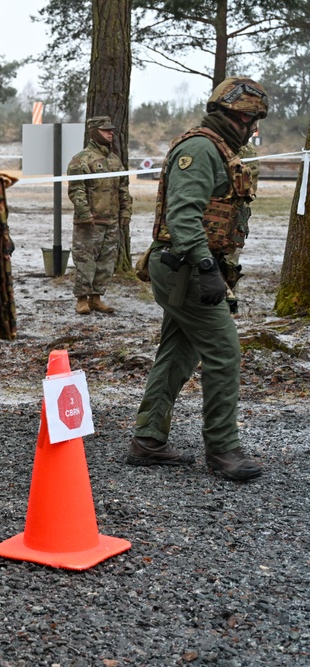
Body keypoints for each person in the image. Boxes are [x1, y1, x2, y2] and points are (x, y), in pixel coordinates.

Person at [127, 77, 268, 481]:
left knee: (178, 352)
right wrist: (207, 269)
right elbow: (184, 215)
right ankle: (223, 449)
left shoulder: (216, 148)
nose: (252, 129)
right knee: (225, 351)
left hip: (189, 267)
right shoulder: (201, 149)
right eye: (251, 120)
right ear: (236, 116)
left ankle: (148, 439)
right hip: (186, 268)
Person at [66, 116, 133, 315]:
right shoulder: (81, 160)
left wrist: (125, 212)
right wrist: (85, 215)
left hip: (111, 221)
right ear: (94, 132)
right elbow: (76, 191)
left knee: (106, 262)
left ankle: (96, 298)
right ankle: (81, 299)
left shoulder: (114, 160)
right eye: (105, 130)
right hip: (90, 222)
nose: (110, 133)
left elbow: (123, 188)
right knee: (85, 261)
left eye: (111, 130)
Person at [222, 141, 260, 313]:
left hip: (235, 214)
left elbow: (246, 188)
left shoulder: (244, 148)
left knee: (229, 259)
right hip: (232, 214)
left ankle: (228, 301)